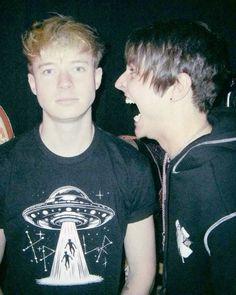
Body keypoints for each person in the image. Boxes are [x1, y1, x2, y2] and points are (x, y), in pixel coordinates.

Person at [0, 15, 157, 295]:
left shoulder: (131, 165)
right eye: (49, 71)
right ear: (32, 83)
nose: (65, 83)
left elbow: (141, 273)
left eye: (78, 68)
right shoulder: (4, 166)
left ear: (97, 78)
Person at [115, 19, 236, 295]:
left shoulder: (222, 193)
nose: (119, 82)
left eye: (132, 71)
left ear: (178, 87)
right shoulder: (181, 157)